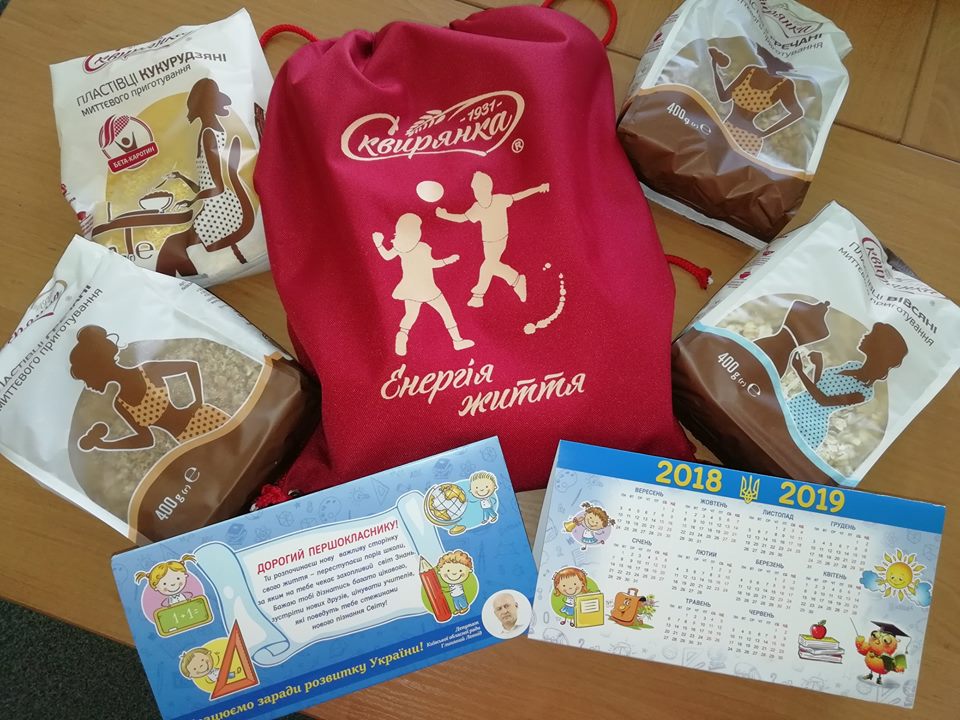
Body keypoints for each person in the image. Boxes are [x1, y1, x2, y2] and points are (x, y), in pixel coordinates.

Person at [69, 325, 230, 451]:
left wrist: (197, 403)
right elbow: (145, 440)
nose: (89, 385)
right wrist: (103, 445)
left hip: (204, 418)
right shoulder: (121, 404)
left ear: (98, 370)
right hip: (185, 439)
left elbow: (191, 367)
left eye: (87, 378)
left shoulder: (146, 371)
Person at [155, 78, 256, 276]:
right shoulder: (209, 130)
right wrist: (182, 178)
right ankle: (192, 284)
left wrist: (192, 201)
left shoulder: (208, 134)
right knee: (173, 246)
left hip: (223, 210)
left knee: (171, 246)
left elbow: (217, 186)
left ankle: (188, 286)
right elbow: (207, 182)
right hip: (218, 204)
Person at [787, 322, 908, 451]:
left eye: (871, 335)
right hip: (795, 406)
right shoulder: (853, 365)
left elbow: (823, 401)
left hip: (809, 425)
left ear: (878, 349)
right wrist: (818, 365)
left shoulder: (864, 392)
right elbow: (820, 387)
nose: (865, 335)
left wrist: (799, 371)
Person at [436, 171, 549, 308]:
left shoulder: (499, 200)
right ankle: (514, 281)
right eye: (475, 190)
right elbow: (461, 218)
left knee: (488, 265)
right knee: (491, 265)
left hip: (500, 239)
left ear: (488, 188)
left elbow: (518, 196)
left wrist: (538, 188)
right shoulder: (477, 208)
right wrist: (445, 216)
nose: (477, 194)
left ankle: (480, 295)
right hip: (488, 242)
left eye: (480, 190)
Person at [373, 213, 474, 357]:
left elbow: (387, 256)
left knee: (410, 315)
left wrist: (378, 244)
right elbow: (432, 264)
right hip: (428, 289)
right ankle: (457, 341)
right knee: (446, 312)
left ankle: (402, 334)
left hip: (410, 289)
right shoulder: (423, 247)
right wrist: (447, 261)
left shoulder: (399, 247)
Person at [709, 44, 805, 158]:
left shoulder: (784, 84)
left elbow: (797, 112)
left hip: (749, 138)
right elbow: (724, 97)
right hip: (726, 127)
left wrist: (766, 132)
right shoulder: (751, 70)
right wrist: (714, 67)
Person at [754, 299, 832, 377]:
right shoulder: (799, 305)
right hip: (770, 345)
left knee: (767, 376)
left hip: (781, 355)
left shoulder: (824, 331)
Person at [436, 550, 475, 615]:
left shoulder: (458, 582)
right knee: (456, 603)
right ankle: (458, 609)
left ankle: (465, 607)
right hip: (453, 595)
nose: (454, 573)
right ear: (440, 572)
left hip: (460, 594)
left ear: (469, 570)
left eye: (460, 570)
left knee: (462, 601)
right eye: (448, 570)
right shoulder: (450, 582)